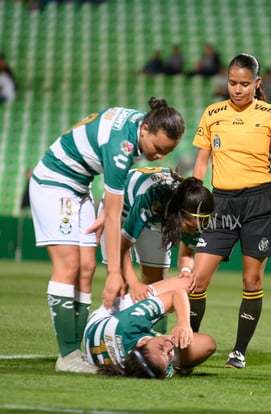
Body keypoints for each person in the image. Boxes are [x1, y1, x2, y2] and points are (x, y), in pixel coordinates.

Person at [29, 98, 185, 373]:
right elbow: (114, 215)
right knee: (69, 266)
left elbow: (114, 197)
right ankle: (67, 357)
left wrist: (108, 212)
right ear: (146, 128)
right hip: (55, 183)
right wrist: (116, 272)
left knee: (87, 268)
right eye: (158, 149)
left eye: (166, 152)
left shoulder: (141, 129)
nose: (160, 157)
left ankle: (76, 351)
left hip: (80, 187)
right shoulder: (121, 147)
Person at [190, 53, 271, 369]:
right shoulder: (212, 113)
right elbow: (200, 161)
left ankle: (238, 352)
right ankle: (189, 343)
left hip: (259, 204)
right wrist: (195, 200)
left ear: (257, 83)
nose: (237, 89)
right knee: (197, 279)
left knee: (251, 281)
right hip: (220, 204)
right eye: (233, 83)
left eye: (244, 84)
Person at [98, 166, 215, 334]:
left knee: (157, 284)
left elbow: (187, 253)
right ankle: (116, 338)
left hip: (157, 218)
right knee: (120, 283)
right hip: (119, 211)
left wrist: (186, 270)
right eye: (189, 226)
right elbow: (121, 247)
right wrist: (134, 283)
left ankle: (155, 339)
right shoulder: (152, 199)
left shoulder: (194, 214)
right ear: (178, 214)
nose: (193, 230)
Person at [84, 276, 216, 378]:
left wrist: (184, 324)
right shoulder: (146, 367)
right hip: (111, 340)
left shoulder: (131, 322)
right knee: (208, 344)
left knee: (187, 283)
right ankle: (181, 367)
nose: (169, 346)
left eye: (160, 348)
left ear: (141, 344)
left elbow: (177, 293)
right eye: (168, 356)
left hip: (106, 318)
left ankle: (180, 363)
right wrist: (173, 368)